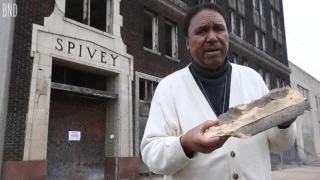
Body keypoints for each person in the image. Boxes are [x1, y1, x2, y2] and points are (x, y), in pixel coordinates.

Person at [140, 3, 296, 180]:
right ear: (187, 43)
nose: (212, 37)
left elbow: (279, 145)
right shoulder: (169, 88)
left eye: (219, 29)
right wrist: (186, 144)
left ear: (227, 37)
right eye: (201, 31)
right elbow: (152, 155)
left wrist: (283, 124)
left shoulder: (252, 79)